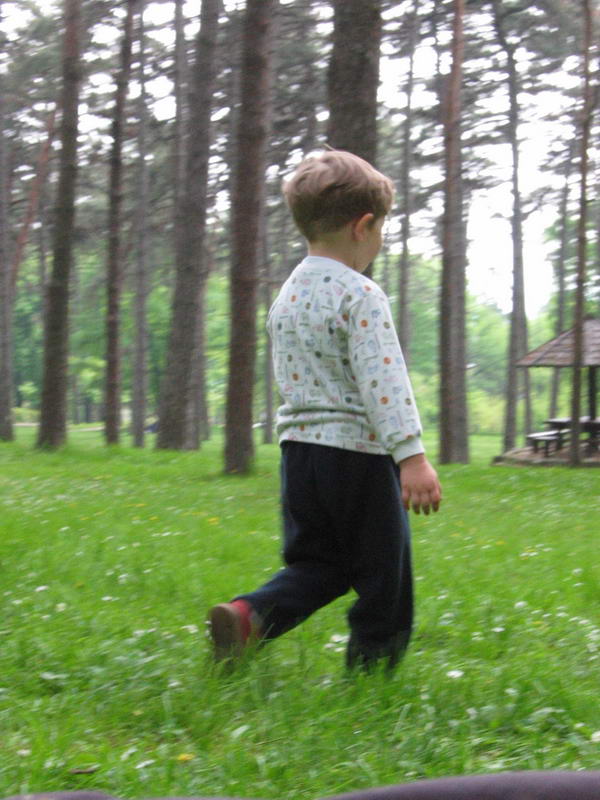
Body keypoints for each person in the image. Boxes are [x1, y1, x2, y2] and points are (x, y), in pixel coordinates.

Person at [209, 149, 442, 671]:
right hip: (357, 457)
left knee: (322, 564)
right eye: (382, 229)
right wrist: (411, 456)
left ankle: (249, 617)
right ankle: (372, 678)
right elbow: (384, 380)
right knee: (386, 577)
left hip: (299, 456)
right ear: (362, 226)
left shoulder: (287, 296)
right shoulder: (360, 295)